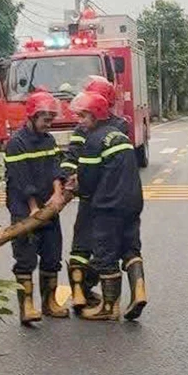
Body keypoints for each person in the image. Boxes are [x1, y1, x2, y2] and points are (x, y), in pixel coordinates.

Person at [69, 90, 147, 321]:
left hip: (108, 206)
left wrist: (75, 186)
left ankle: (109, 307)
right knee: (130, 247)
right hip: (131, 203)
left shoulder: (93, 142)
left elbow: (88, 180)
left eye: (83, 116)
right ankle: (139, 290)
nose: (80, 121)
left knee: (105, 254)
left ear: (96, 115)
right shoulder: (118, 134)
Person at [61, 76, 129, 314]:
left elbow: (72, 157)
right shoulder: (119, 126)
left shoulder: (89, 130)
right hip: (106, 198)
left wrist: (73, 177)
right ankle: (93, 298)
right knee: (104, 246)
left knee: (83, 244)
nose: (80, 119)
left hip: (92, 197)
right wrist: (71, 177)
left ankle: (83, 294)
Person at [4, 90, 69, 324]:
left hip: (48, 208)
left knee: (52, 255)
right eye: (45, 120)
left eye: (51, 119)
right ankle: (27, 307)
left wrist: (57, 194)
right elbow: (22, 180)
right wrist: (33, 208)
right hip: (24, 210)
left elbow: (55, 168)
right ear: (32, 116)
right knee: (26, 257)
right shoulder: (15, 144)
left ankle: (50, 303)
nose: (48, 124)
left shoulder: (49, 140)